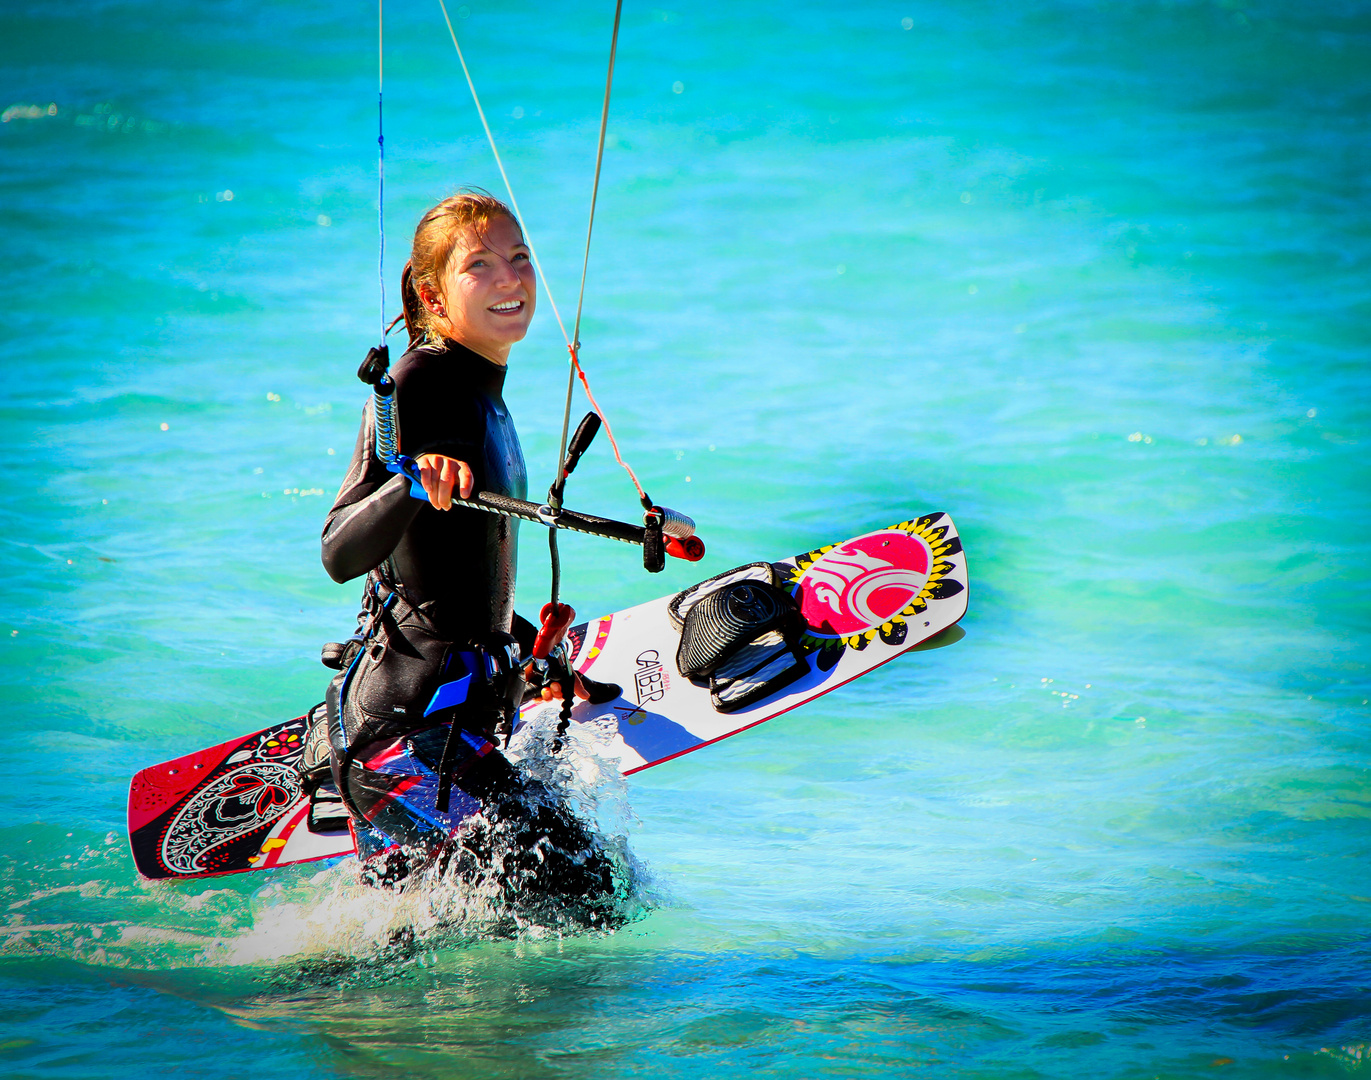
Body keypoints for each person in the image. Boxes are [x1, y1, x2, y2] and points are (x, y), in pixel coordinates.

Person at [312, 191, 612, 903]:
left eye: (519, 258)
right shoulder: (419, 382)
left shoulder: (481, 392)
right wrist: (408, 482)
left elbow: (446, 576)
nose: (511, 278)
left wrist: (530, 650)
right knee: (581, 895)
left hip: (442, 732)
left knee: (419, 954)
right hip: (403, 745)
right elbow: (337, 550)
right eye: (479, 265)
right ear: (431, 294)